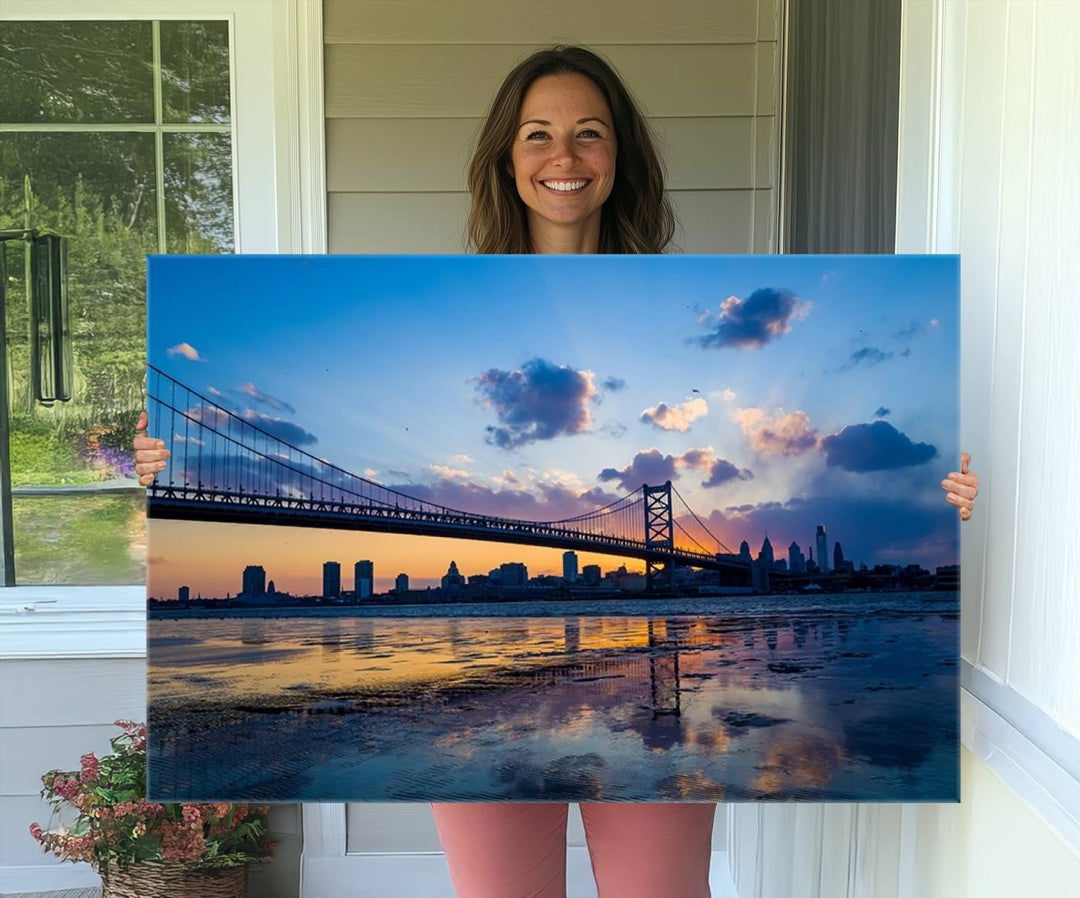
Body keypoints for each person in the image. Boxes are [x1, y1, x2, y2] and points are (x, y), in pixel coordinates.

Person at [133, 45, 979, 898]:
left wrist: (948, 498)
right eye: (537, 134)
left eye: (589, 134)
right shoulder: (442, 304)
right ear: (507, 157)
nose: (563, 157)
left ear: (620, 158)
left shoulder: (684, 302)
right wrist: (155, 469)